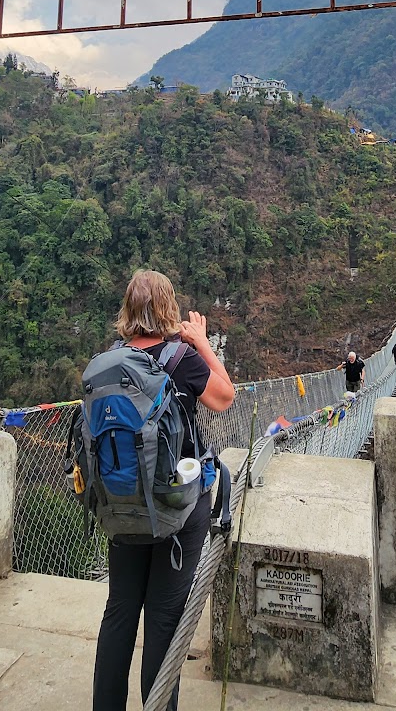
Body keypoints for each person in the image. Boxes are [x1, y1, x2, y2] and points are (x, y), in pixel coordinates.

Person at [92, 269, 235, 711]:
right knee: (163, 620)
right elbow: (224, 397)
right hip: (177, 508)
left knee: (119, 613)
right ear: (169, 308)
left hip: (123, 505)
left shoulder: (110, 361)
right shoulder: (180, 358)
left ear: (128, 311)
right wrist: (202, 341)